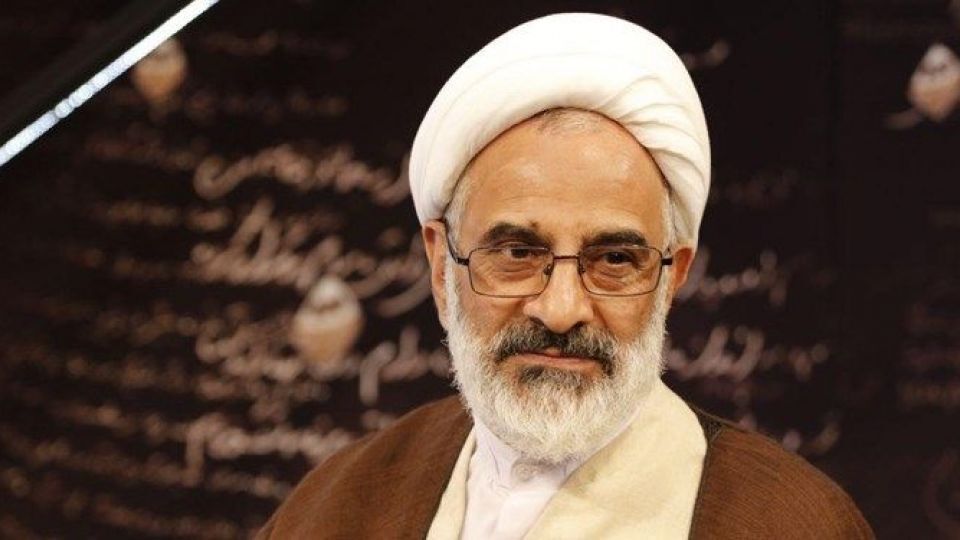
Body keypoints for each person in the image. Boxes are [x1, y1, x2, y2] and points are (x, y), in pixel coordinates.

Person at [257, 13, 874, 539]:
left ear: (672, 279)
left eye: (614, 260)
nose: (560, 310)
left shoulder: (789, 522)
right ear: (442, 267)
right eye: (517, 252)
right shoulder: (337, 506)